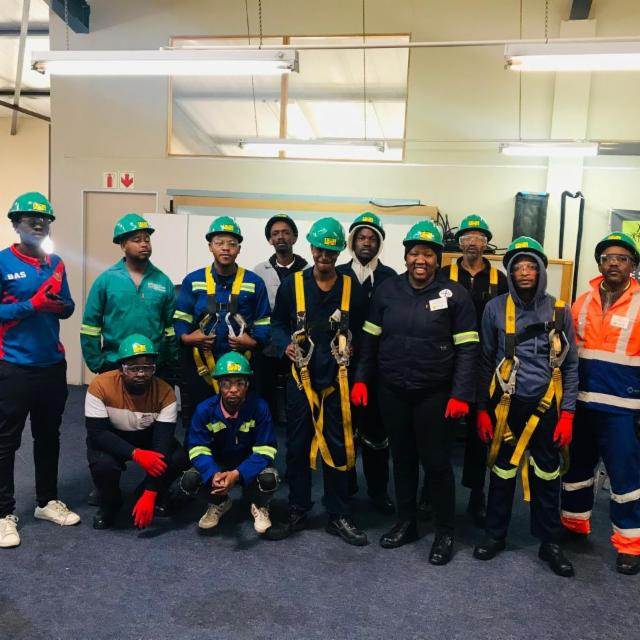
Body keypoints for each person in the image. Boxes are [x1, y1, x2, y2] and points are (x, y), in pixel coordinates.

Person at [352, 219, 479, 564]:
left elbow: (469, 349)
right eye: (414, 253)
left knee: (437, 464)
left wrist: (461, 394)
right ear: (406, 256)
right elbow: (370, 340)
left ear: (437, 258)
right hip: (392, 390)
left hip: (435, 394)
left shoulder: (455, 294)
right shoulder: (387, 290)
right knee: (403, 459)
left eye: (428, 254)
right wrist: (361, 379)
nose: (420, 260)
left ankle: (445, 531)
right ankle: (406, 522)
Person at [474, 236, 579, 577]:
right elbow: (484, 360)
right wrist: (481, 409)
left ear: (541, 271)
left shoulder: (560, 311)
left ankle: (550, 542)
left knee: (547, 472)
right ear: (509, 272)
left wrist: (568, 414)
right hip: (505, 404)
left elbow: (571, 366)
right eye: (517, 266)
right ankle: (495, 534)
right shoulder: (494, 309)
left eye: (530, 266)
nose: (523, 272)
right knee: (502, 469)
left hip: (547, 404)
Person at [270, 217, 368, 545]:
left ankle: (338, 512)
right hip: (301, 381)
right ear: (310, 248)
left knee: (338, 446)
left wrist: (354, 346)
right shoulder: (292, 286)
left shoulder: (352, 288)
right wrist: (284, 343)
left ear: (339, 252)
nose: (324, 256)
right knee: (297, 445)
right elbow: (277, 324)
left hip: (337, 382)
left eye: (331, 251)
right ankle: (298, 508)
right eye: (319, 249)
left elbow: (365, 329)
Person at [0, 192, 79, 549]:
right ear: (16, 224)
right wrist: (31, 305)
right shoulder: (3, 262)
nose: (38, 224)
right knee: (6, 440)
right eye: (30, 219)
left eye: (44, 220)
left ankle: (46, 501)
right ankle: (3, 513)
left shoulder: (56, 263)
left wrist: (60, 306)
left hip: (51, 365)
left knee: (49, 436)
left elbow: (68, 306)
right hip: (14, 366)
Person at [561, 232, 640, 575]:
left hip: (624, 409)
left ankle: (630, 544)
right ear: (599, 264)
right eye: (608, 258)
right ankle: (574, 524)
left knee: (626, 478)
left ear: (632, 265)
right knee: (577, 470)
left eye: (622, 258)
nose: (614, 263)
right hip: (581, 404)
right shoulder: (582, 302)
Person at [440, 214, 508, 526]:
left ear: (486, 244)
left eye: (479, 238)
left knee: (480, 433)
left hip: (485, 365)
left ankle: (476, 494)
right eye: (467, 237)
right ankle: (432, 490)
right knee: (441, 429)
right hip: (448, 362)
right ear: (459, 243)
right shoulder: (444, 275)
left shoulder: (500, 279)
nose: (472, 243)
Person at [173, 216, 271, 431]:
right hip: (201, 364)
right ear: (210, 246)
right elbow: (181, 317)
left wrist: (254, 342)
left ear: (239, 249)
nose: (225, 248)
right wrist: (188, 338)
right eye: (219, 243)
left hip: (242, 363)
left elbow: (264, 320)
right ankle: (198, 451)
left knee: (243, 418)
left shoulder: (254, 282)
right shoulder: (193, 280)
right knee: (200, 416)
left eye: (232, 244)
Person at [85, 334, 187, 530]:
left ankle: (143, 493)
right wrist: (136, 454)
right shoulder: (100, 386)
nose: (141, 373)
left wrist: (150, 492)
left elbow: (162, 445)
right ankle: (111, 503)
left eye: (147, 368)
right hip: (112, 436)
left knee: (178, 458)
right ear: (121, 368)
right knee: (103, 464)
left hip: (147, 435)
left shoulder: (166, 393)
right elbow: (98, 434)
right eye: (133, 368)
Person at [181, 352, 279, 535]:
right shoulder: (204, 410)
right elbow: (197, 449)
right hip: (218, 464)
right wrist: (213, 473)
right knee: (190, 481)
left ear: (247, 385)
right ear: (218, 385)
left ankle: (259, 504)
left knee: (269, 479)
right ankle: (219, 502)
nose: (233, 389)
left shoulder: (259, 407)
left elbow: (266, 449)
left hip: (249, 463)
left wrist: (237, 474)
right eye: (226, 383)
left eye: (239, 383)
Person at [337, 212, 396, 515]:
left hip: (378, 370)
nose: (366, 243)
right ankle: (345, 488)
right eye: (361, 237)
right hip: (342, 368)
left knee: (377, 434)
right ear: (352, 241)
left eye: (372, 238)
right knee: (344, 430)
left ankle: (378, 491)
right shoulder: (337, 274)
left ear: (379, 243)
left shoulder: (391, 278)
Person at [81, 213, 178, 379]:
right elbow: (90, 326)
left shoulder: (163, 281)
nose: (144, 244)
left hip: (154, 366)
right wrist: (98, 363)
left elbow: (170, 328)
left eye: (147, 239)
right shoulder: (106, 280)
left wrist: (172, 363)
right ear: (123, 244)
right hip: (115, 363)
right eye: (137, 240)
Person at [253, 213, 308, 422]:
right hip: (268, 339)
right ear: (270, 240)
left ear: (294, 237)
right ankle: (266, 418)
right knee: (260, 367)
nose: (280, 237)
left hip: (300, 339)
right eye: (275, 233)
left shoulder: (308, 270)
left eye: (285, 232)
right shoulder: (259, 271)